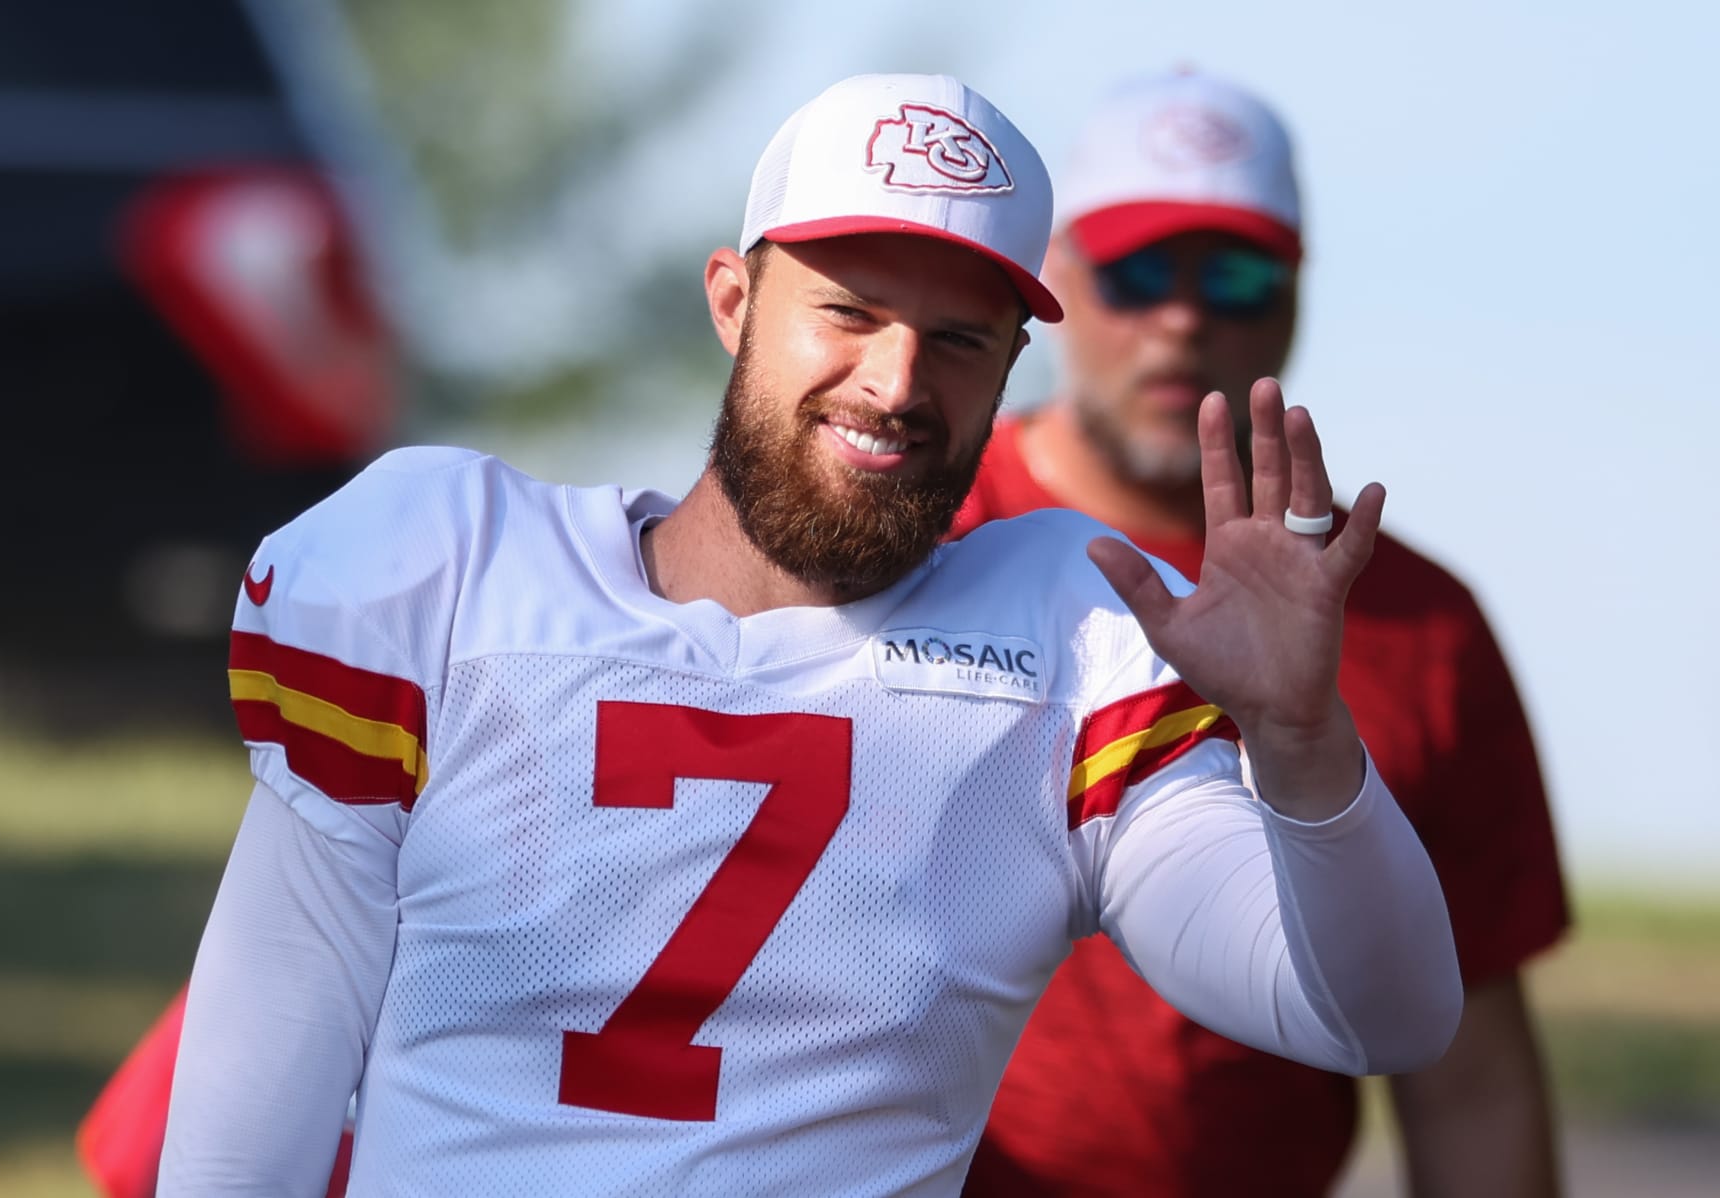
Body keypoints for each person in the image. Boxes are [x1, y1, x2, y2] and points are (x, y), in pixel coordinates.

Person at [156, 72, 1464, 1196]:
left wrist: (1301, 739)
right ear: (734, 301)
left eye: (958, 338)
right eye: (848, 310)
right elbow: (255, 1089)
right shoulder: (449, 578)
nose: (897, 382)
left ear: (1010, 366)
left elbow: (1375, 1013)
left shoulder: (1071, 645)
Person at [953, 70, 1569, 1198]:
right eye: (1138, 272)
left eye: (1235, 277)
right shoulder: (926, 538)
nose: (1183, 319)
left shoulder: (1418, 622)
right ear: (1057, 279)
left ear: (1294, 295)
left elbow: (1470, 1079)